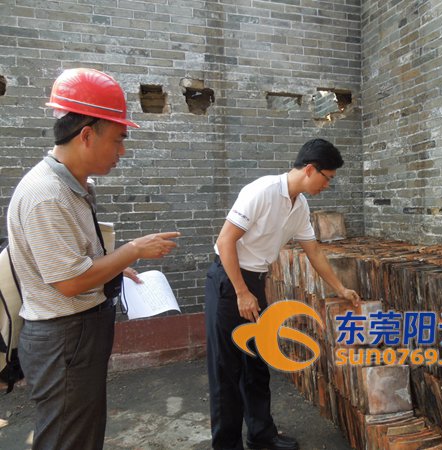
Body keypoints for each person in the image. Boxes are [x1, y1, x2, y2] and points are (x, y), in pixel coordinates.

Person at [7, 68, 180, 449]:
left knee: (81, 434)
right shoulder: (47, 195)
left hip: (76, 335)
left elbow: (74, 257)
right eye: (118, 140)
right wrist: (132, 249)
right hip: (64, 338)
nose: (122, 152)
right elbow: (69, 282)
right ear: (86, 135)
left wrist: (116, 266)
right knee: (68, 439)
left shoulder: (72, 185)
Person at [205, 138, 361, 450]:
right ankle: (226, 445)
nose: (327, 186)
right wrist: (241, 292)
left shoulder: (299, 206)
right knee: (226, 370)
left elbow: (314, 252)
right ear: (310, 169)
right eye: (327, 178)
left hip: (254, 283)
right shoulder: (262, 191)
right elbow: (225, 241)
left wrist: (340, 288)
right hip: (229, 282)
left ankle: (261, 435)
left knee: (255, 363)